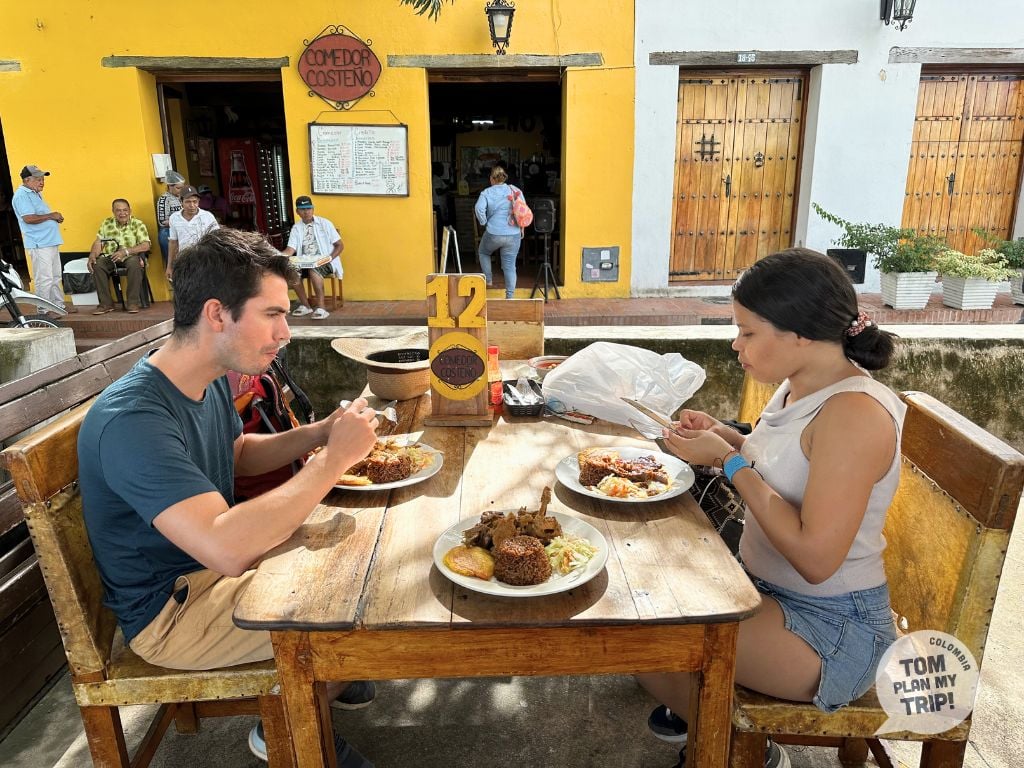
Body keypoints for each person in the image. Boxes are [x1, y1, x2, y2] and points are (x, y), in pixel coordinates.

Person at [77, 228, 379, 767]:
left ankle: (329, 680)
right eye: (272, 315)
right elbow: (225, 548)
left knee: (360, 551)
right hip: (171, 613)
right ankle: (286, 727)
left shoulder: (208, 374)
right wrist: (334, 462)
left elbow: (236, 453)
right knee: (353, 610)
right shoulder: (134, 419)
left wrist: (319, 433)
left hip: (207, 574)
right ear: (217, 314)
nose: (285, 332)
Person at [638, 248, 904, 768]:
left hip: (832, 628)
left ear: (799, 334)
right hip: (764, 589)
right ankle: (711, 719)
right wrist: (722, 436)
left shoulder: (853, 414)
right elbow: (781, 469)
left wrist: (729, 465)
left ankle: (742, 750)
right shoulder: (797, 387)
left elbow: (815, 556)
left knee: (651, 640)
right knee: (643, 622)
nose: (736, 344)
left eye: (748, 332)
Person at [11, 164, 76, 314]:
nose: (42, 182)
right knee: (44, 278)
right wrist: (51, 216)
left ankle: (59, 306)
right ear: (27, 180)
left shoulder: (34, 193)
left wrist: (53, 218)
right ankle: (43, 310)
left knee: (55, 276)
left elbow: (38, 216)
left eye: (42, 179)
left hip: (49, 241)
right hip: (39, 244)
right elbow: (28, 218)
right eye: (38, 179)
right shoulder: (22, 195)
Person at [280, 195, 342, 320]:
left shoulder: (325, 223)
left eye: (308, 208)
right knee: (292, 272)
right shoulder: (296, 228)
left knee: (314, 270)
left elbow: (340, 245)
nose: (306, 211)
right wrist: (277, 257)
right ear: (297, 212)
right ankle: (305, 305)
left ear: (313, 209)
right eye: (302, 209)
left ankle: (321, 308)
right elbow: (290, 250)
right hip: (304, 262)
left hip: (326, 261)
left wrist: (329, 258)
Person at [87, 199, 151, 314]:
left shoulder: (137, 223)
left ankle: (132, 303)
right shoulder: (107, 223)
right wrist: (92, 255)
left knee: (134, 263)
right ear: (113, 211)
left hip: (130, 255)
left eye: (125, 210)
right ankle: (106, 304)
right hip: (111, 256)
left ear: (130, 210)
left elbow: (146, 245)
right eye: (118, 211)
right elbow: (99, 242)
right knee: (98, 264)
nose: (122, 213)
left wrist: (125, 251)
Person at [474, 165, 524, 299]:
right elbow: (522, 210)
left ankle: (489, 280)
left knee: (483, 252)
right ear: (504, 177)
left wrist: (484, 222)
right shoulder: (515, 190)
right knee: (509, 266)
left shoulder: (486, 193)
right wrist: (521, 228)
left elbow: (479, 209)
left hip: (494, 233)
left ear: (491, 179)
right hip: (513, 234)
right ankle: (510, 297)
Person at [166, 185, 219, 279]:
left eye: (195, 201)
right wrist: (169, 266)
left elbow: (217, 239)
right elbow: (173, 242)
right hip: (185, 261)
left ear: (198, 202)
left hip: (205, 260)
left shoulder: (208, 216)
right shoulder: (174, 218)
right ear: (181, 202)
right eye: (188, 202)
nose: (192, 205)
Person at [155, 170, 185, 267]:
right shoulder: (164, 199)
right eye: (178, 188)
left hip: (181, 230)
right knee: (174, 263)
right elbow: (162, 222)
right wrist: (181, 220)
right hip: (168, 233)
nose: (180, 190)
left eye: (182, 187)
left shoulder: (181, 198)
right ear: (169, 186)